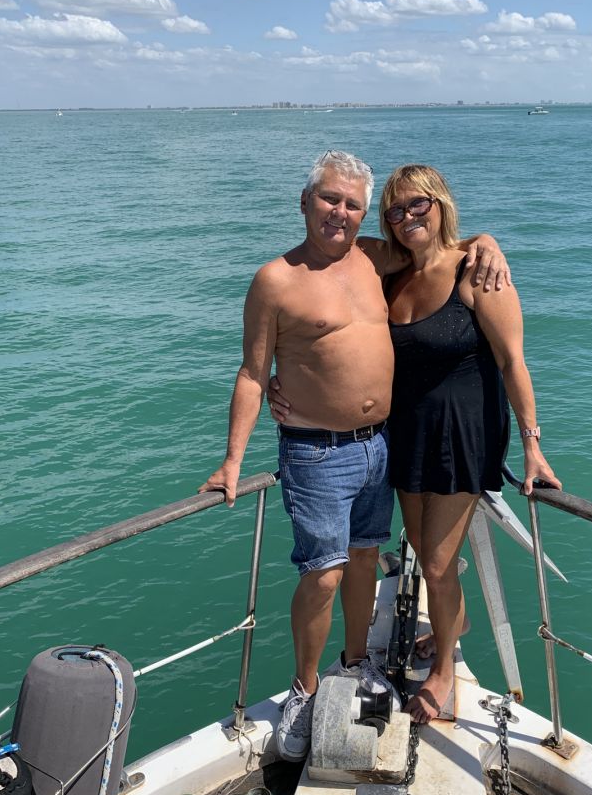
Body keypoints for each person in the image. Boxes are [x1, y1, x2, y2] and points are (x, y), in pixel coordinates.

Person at [199, 151, 510, 761]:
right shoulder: (275, 280)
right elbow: (253, 373)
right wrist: (232, 459)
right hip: (316, 451)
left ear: (363, 214)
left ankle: (357, 662)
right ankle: (304, 690)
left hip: (381, 445)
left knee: (366, 558)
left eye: (352, 204)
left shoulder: (372, 259)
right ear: (305, 202)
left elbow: (435, 243)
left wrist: (487, 241)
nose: (339, 213)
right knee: (324, 573)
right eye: (329, 199)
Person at [271, 162, 561, 727]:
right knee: (426, 552)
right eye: (395, 210)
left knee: (437, 562)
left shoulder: (477, 274)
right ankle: (458, 621)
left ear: (440, 203)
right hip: (403, 433)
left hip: (463, 435)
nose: (407, 217)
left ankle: (444, 670)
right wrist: (289, 384)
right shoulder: (391, 273)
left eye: (418, 204)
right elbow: (327, 289)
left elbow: (513, 362)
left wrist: (532, 444)